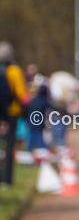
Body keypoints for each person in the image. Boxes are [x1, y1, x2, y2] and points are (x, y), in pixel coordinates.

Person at [0, 42, 29, 185]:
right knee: (9, 145)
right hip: (11, 112)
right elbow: (22, 95)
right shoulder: (14, 71)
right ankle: (7, 180)